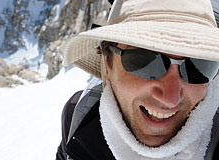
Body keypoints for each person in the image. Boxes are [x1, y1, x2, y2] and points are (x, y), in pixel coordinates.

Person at [56, 0, 219, 159]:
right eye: (144, 61)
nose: (170, 99)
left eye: (199, 66)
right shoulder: (79, 120)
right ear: (108, 64)